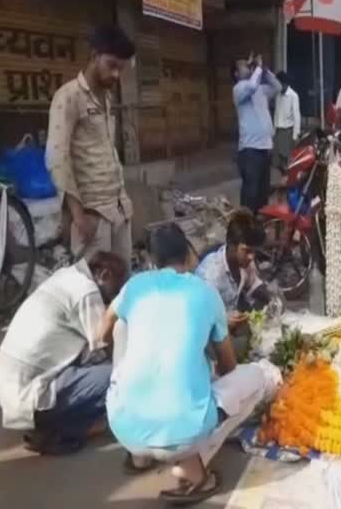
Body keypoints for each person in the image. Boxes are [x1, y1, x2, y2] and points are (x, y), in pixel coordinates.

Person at [98, 222, 278, 504]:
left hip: (123, 425)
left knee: (123, 327)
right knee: (255, 377)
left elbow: (104, 330)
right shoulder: (205, 292)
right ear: (188, 254)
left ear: (151, 260)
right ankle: (194, 474)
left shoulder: (135, 286)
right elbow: (229, 367)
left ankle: (139, 457)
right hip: (183, 433)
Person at [0, 252, 128, 455]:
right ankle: (61, 430)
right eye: (114, 290)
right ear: (104, 275)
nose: (111, 298)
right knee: (120, 375)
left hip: (11, 390)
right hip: (31, 396)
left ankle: (53, 423)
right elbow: (104, 348)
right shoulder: (86, 292)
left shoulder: (66, 276)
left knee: (95, 365)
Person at [46, 25, 136, 265]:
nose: (117, 75)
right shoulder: (68, 97)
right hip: (92, 216)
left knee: (121, 286)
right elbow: (57, 158)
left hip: (119, 209)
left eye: (121, 69)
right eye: (112, 65)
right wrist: (77, 216)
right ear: (94, 57)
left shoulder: (106, 98)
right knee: (93, 292)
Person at [196, 209, 270, 357]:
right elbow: (199, 319)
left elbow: (256, 286)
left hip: (232, 329)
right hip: (207, 340)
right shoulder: (211, 274)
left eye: (254, 252)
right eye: (247, 251)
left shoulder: (245, 263)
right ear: (231, 244)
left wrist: (272, 296)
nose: (251, 257)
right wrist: (223, 320)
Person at [233, 53, 282, 214]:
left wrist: (265, 71)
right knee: (250, 194)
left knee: (262, 193)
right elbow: (251, 86)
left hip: (265, 148)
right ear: (236, 74)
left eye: (247, 64)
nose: (247, 65)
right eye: (243, 65)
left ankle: (259, 225)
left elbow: (277, 87)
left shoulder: (260, 89)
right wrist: (258, 68)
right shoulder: (239, 89)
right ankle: (245, 226)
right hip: (250, 150)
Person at [272, 71, 301, 176]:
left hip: (287, 131)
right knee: (277, 160)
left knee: (286, 158)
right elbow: (276, 113)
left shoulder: (293, 95)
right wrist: (273, 130)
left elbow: (296, 116)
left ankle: (287, 178)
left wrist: (295, 135)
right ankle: (283, 176)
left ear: (285, 84)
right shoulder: (278, 95)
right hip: (278, 130)